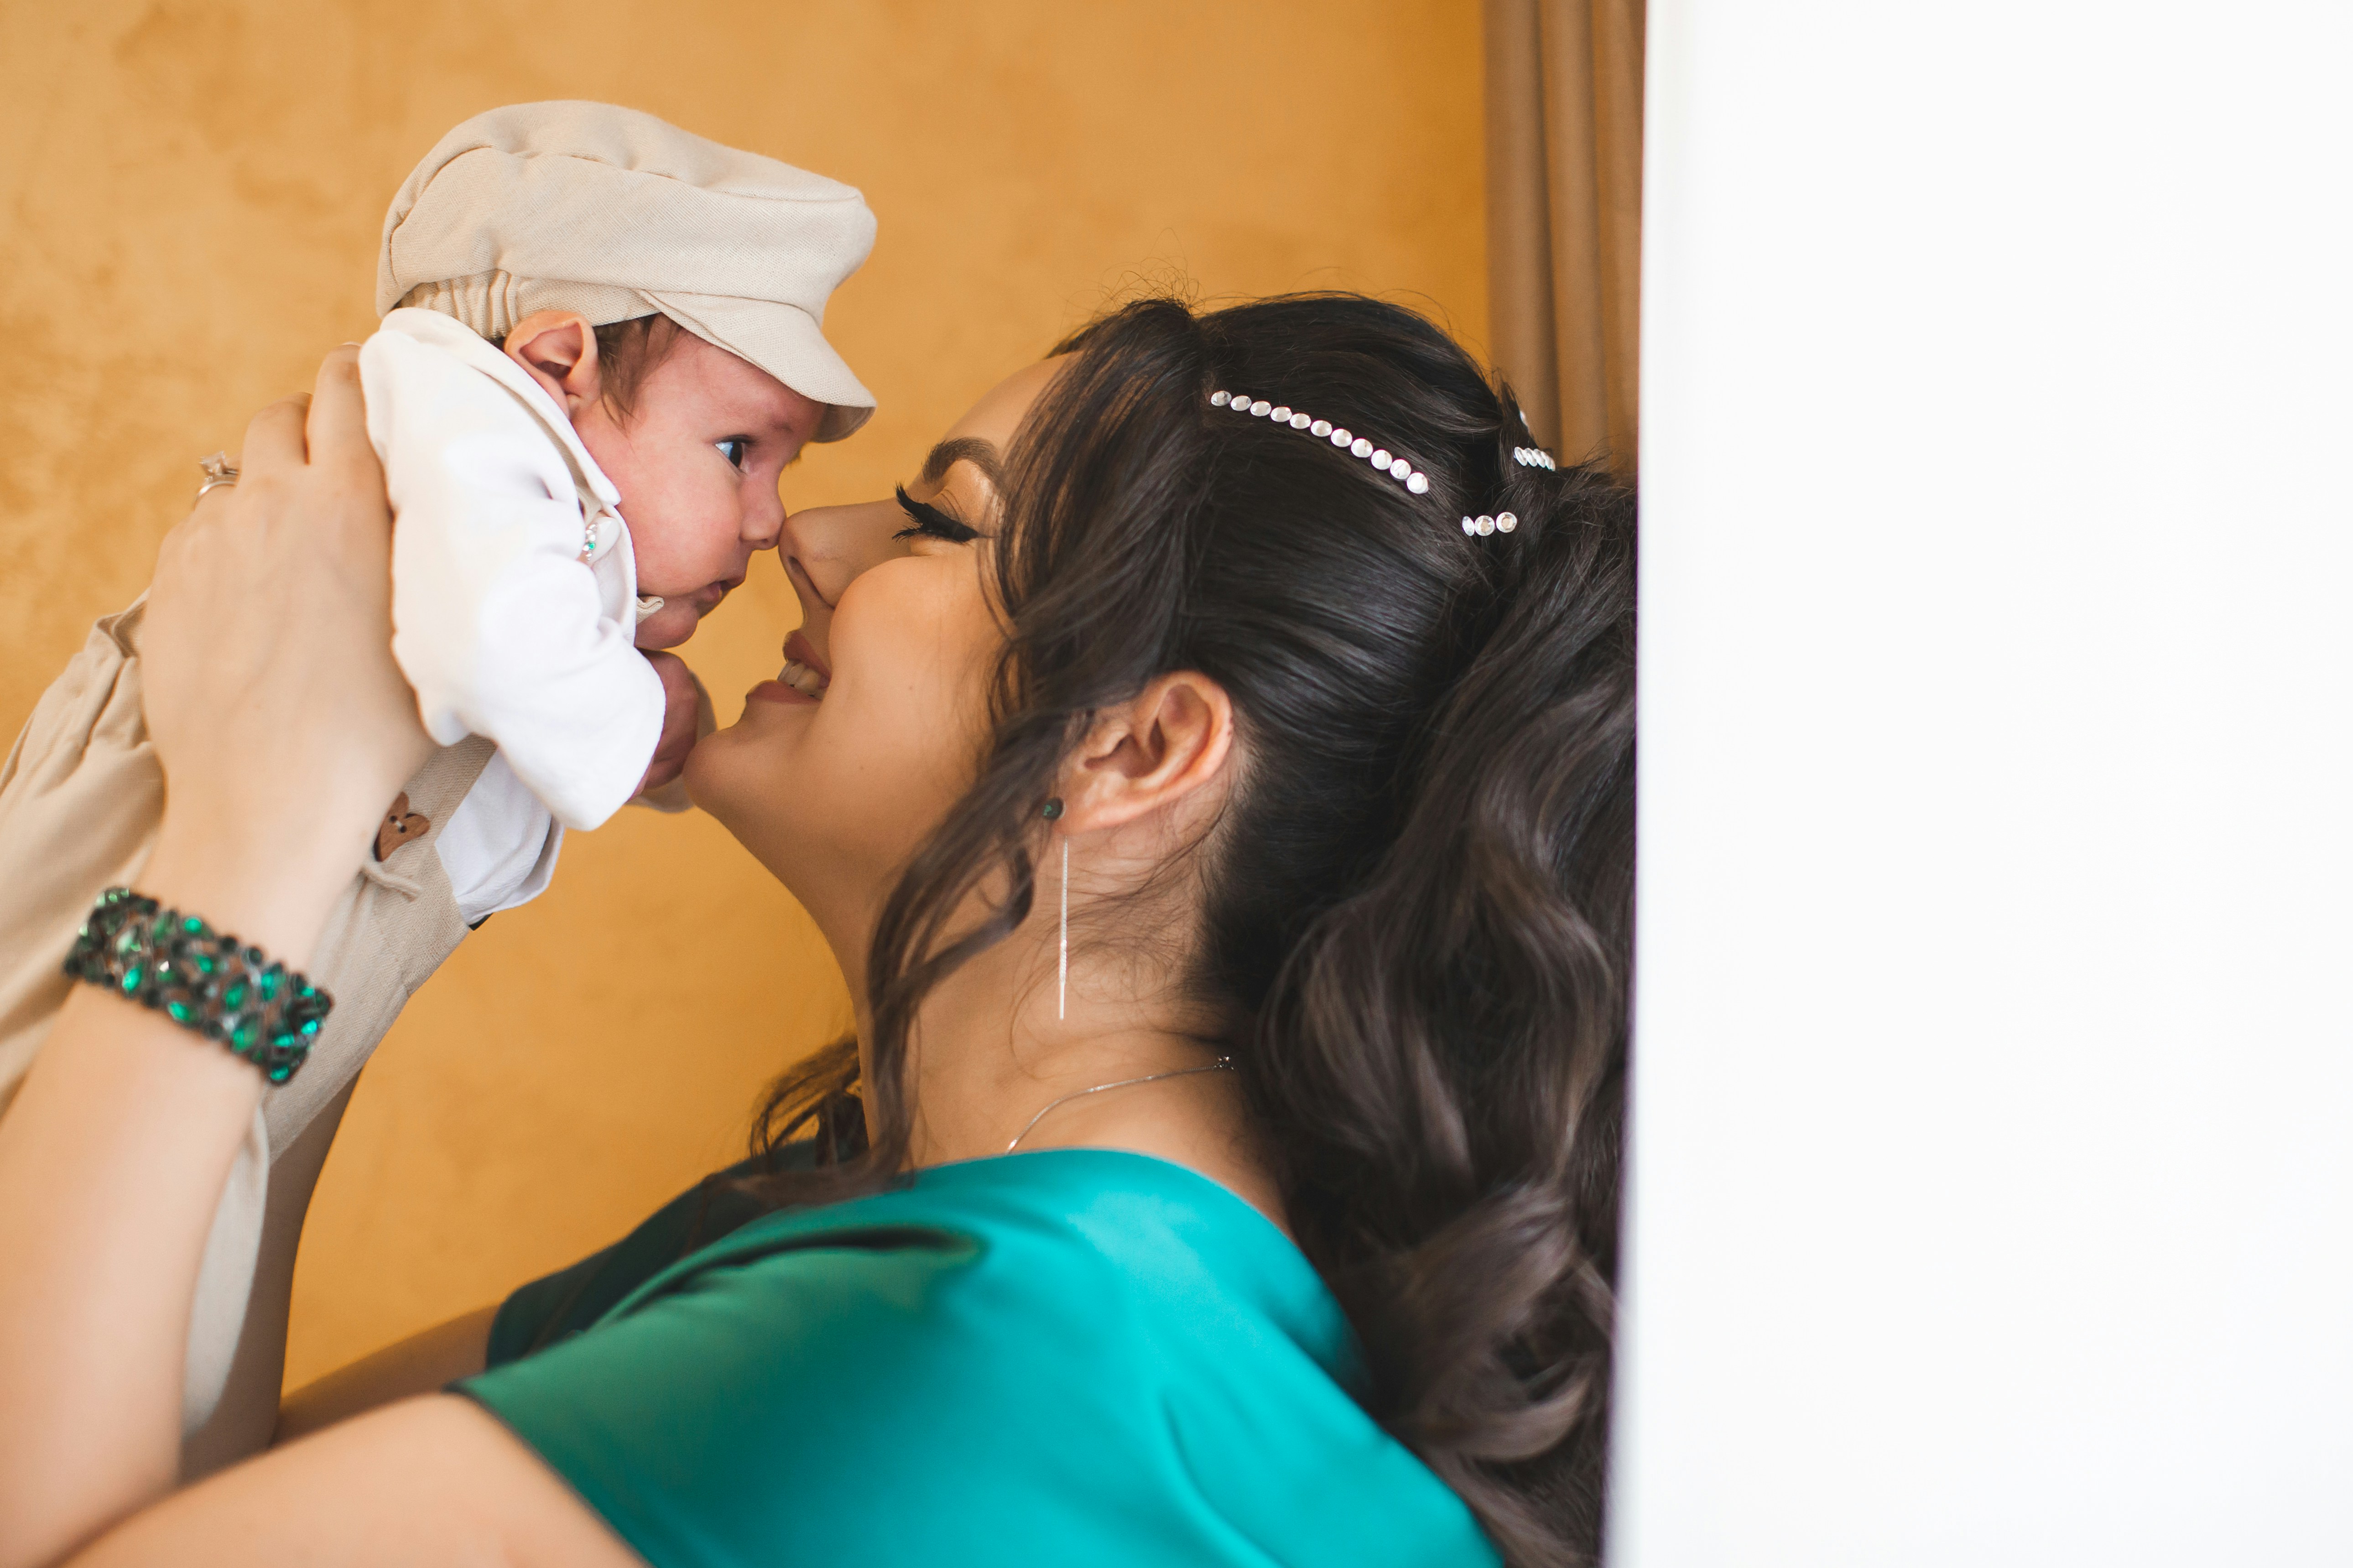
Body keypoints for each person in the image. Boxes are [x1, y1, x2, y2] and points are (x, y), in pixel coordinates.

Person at [0, 290, 1635, 1568]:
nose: (804, 534)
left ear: (1141, 751)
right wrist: (363, 870)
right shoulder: (896, 1237)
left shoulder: (999, 1353)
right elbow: (178, 1500)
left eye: (937, 525)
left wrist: (253, 831)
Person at [0, 100, 875, 1463]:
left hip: (266, 942)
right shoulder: (464, 409)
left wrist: (637, 715)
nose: (771, 523)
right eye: (737, 452)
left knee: (165, 1335)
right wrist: (638, 717)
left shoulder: (533, 514)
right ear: (556, 359)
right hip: (144, 873)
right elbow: (489, 648)